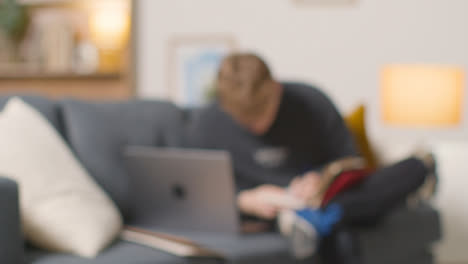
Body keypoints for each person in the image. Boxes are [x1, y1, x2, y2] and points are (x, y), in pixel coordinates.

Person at [186, 53, 436, 264]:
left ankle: (315, 219)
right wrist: (243, 201)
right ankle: (320, 220)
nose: (256, 126)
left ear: (276, 88)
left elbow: (350, 161)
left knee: (410, 169)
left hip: (322, 196)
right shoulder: (209, 123)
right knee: (343, 230)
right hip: (265, 212)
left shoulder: (312, 102)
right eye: (245, 120)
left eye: (261, 112)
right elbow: (195, 193)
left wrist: (319, 179)